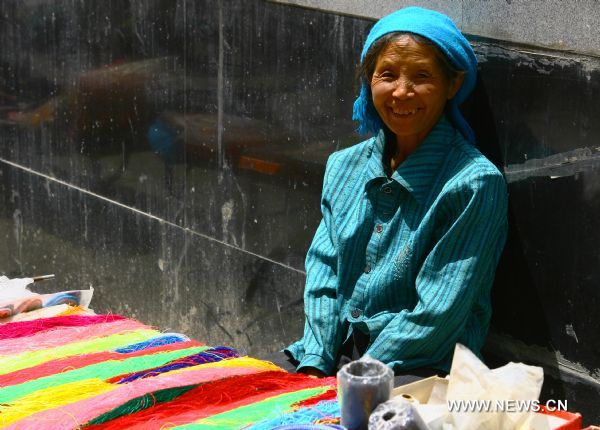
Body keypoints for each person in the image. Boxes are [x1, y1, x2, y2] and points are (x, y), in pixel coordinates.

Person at [282, 6, 508, 382]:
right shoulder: (344, 166)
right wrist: (316, 361)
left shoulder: (473, 184)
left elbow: (438, 313)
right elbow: (323, 272)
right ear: (369, 80)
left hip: (421, 363)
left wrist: (354, 377)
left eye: (422, 76)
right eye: (387, 74)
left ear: (453, 85)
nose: (402, 91)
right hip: (337, 353)